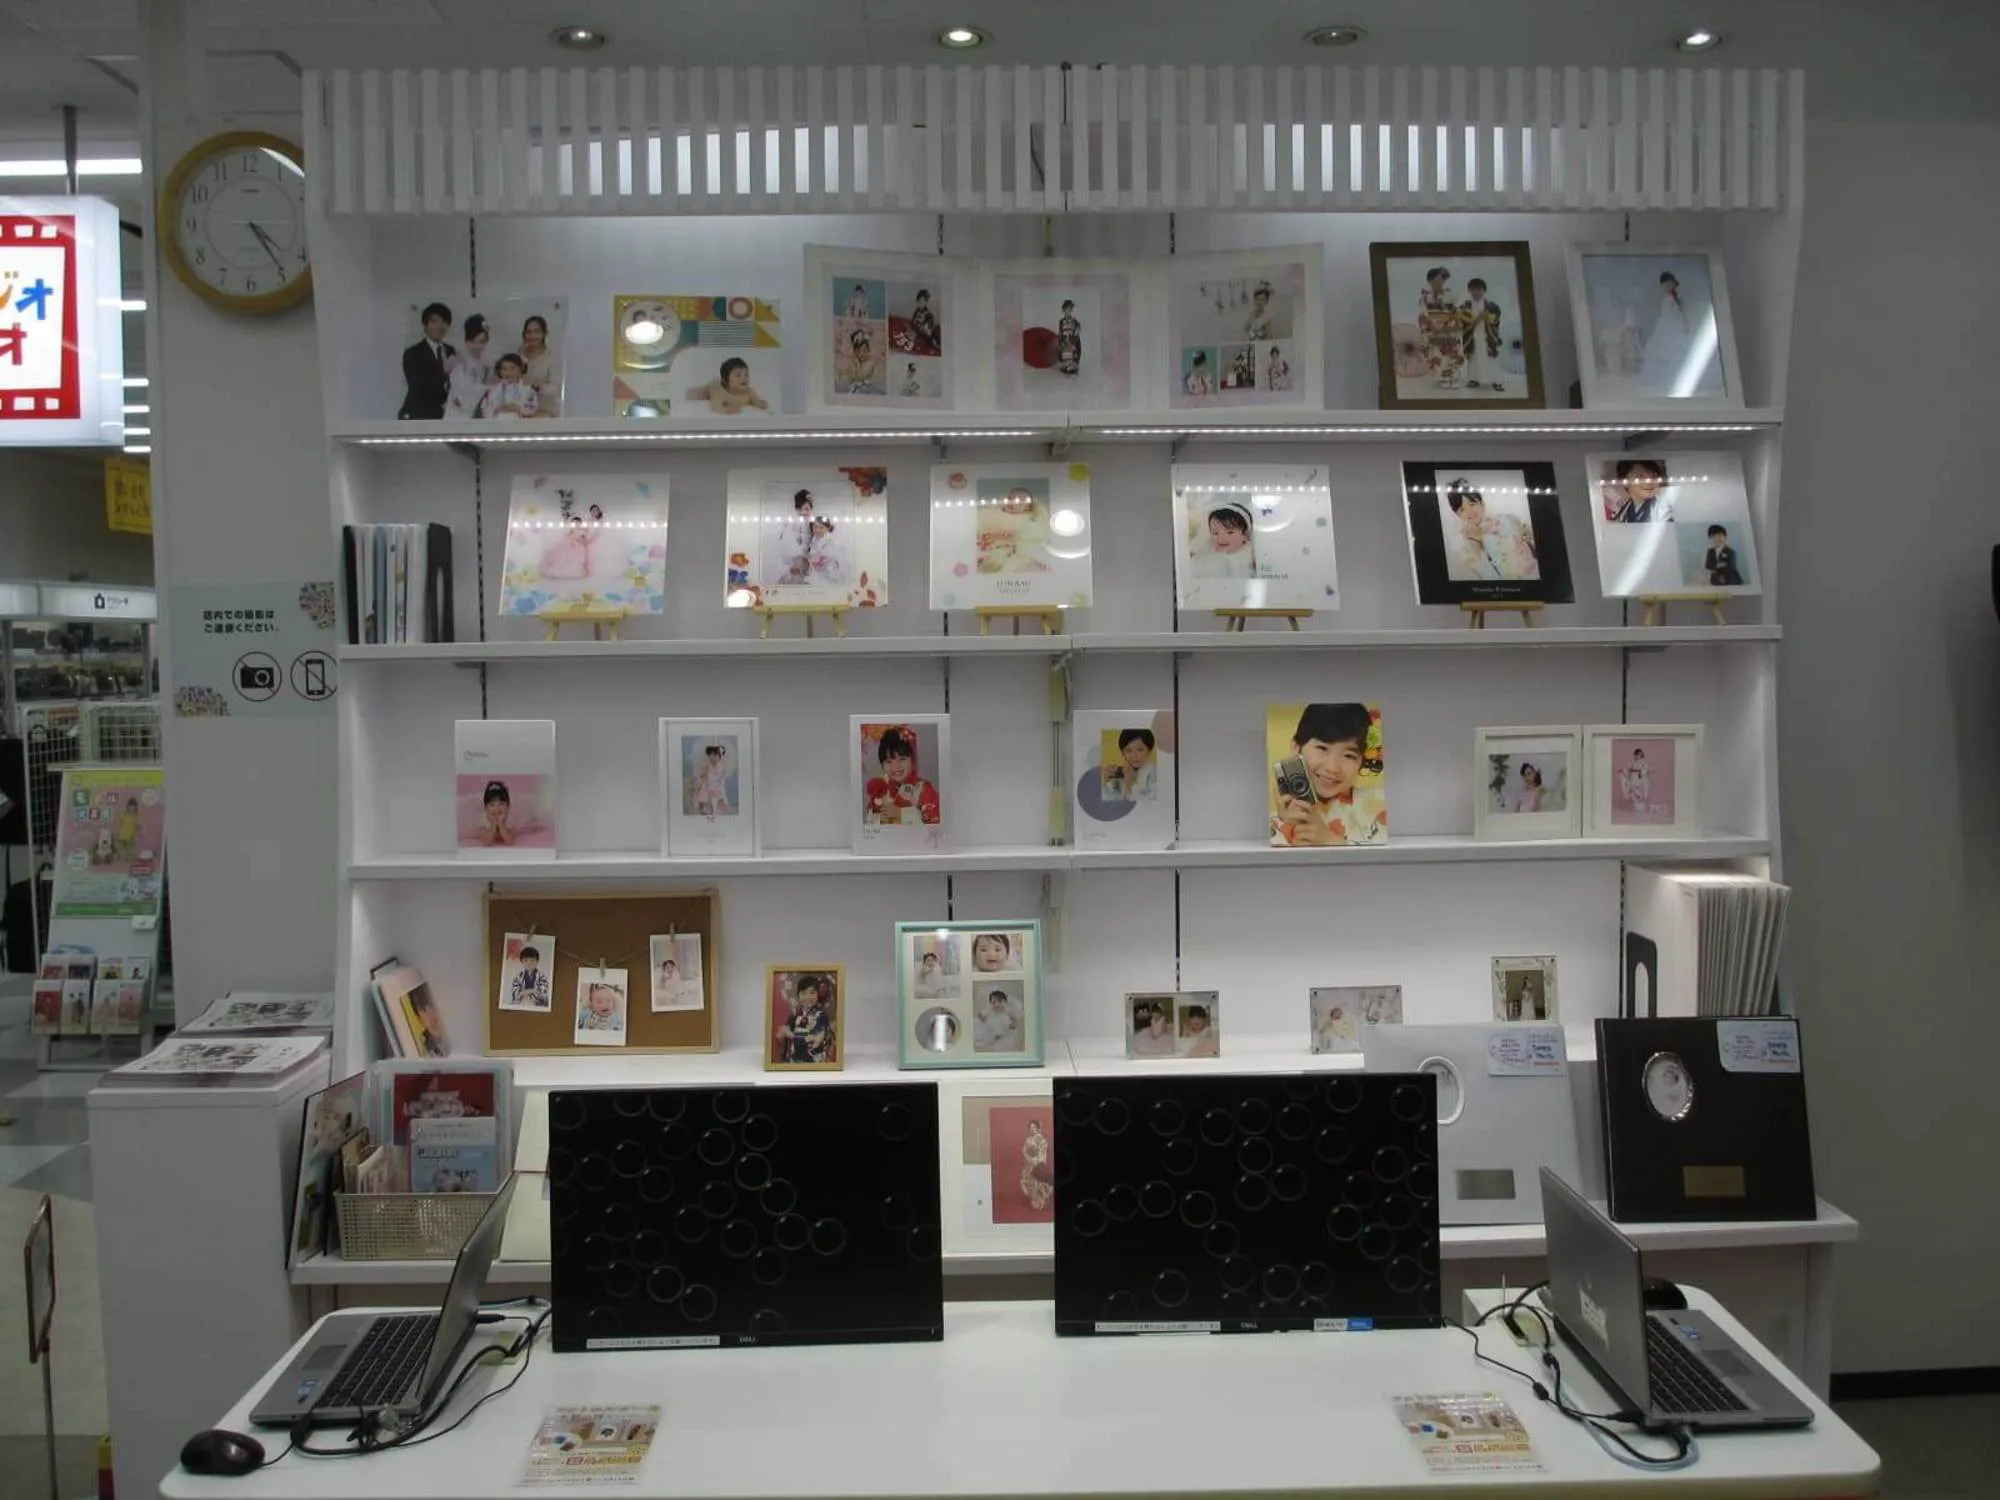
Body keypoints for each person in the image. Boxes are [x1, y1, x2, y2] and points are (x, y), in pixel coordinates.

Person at [1271, 702, 1388, 847]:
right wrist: (1284, 823)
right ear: (1296, 747)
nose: (1332, 768)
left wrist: (1330, 840)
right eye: (1322, 748)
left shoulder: (1380, 804)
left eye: (1349, 755)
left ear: (1362, 761)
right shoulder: (1273, 822)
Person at [1444, 481, 1538, 582]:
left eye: (1472, 504)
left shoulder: (1508, 519)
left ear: (1482, 503)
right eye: (1462, 509)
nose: (1469, 511)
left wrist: (1529, 542)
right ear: (1458, 515)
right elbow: (1492, 577)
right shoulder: (1467, 550)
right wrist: (1482, 541)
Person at [863, 726, 941, 826]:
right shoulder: (881, 791)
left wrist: (902, 815)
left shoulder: (923, 789)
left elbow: (935, 819)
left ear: (912, 760)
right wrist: (878, 818)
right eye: (888, 761)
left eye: (902, 759)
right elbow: (868, 822)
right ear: (882, 765)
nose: (896, 766)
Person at [399, 301, 454, 419]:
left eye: (444, 322)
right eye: (434, 322)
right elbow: (418, 386)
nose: (439, 327)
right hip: (418, 415)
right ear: (425, 325)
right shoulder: (413, 353)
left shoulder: (451, 351)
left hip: (445, 415)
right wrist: (445, 372)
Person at [1641, 270, 1692, 391]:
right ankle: (1658, 379)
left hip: (1674, 327)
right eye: (1665, 284)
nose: (1667, 286)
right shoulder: (1662, 299)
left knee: (1675, 353)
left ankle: (1674, 378)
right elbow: (1659, 313)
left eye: (1669, 283)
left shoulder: (1679, 298)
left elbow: (1683, 313)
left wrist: (1685, 325)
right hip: (1663, 326)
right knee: (1659, 352)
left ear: (1674, 284)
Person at [1417, 267, 1464, 389]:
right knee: (1437, 353)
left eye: (1441, 279)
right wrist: (1432, 324)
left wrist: (1449, 325)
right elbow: (1423, 314)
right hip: (1433, 329)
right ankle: (1443, 378)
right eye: (1436, 279)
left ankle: (1454, 378)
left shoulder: (1451, 295)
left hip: (1449, 328)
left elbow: (1457, 312)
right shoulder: (1425, 297)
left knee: (1452, 353)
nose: (1439, 282)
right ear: (1429, 281)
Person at [1460, 277, 1505, 392]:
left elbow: (1495, 320)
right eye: (1473, 290)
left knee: (1490, 358)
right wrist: (1477, 319)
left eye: (1479, 289)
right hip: (1472, 336)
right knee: (1474, 358)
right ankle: (1473, 379)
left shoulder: (1492, 306)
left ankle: (1496, 381)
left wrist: (1486, 319)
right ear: (1469, 291)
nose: (1476, 292)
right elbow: (1462, 321)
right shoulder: (1465, 306)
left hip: (1487, 336)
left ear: (1484, 290)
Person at [444, 312, 493, 418]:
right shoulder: (459, 363)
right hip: (458, 411)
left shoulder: (486, 365)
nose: (479, 346)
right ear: (467, 342)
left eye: (483, 342)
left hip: (477, 410)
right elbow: (461, 390)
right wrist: (487, 389)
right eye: (474, 342)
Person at [1190, 502, 1255, 580]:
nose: (1221, 538)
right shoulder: (1204, 559)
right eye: (1215, 533)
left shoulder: (1250, 560)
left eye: (1230, 532)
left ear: (1245, 535)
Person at [687, 356, 770, 415]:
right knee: (696, 394)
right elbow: (715, 407)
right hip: (711, 388)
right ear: (726, 380)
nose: (744, 378)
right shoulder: (722, 393)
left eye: (746, 375)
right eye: (738, 375)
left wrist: (761, 404)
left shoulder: (749, 391)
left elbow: (757, 401)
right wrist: (727, 410)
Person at [518, 314, 560, 417]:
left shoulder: (552, 357)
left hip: (545, 412)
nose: (532, 336)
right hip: (519, 412)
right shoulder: (517, 355)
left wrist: (539, 387)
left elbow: (556, 388)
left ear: (544, 333)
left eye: (537, 332)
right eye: (529, 332)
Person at [1605, 458, 1671, 523]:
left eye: (1654, 476)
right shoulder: (1624, 511)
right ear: (1625, 481)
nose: (1649, 482)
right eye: (1641, 476)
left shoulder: (1663, 507)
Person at [1104, 727, 1158, 803]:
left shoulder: (1154, 773)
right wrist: (1108, 781)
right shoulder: (1120, 771)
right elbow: (1113, 799)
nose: (1134, 756)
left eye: (1140, 750)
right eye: (1129, 751)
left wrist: (1131, 783)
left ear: (1149, 751)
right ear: (1123, 753)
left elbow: (1150, 803)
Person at [484, 351, 539, 419]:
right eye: (505, 369)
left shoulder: (528, 389)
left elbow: (533, 409)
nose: (509, 372)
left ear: (521, 368)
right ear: (500, 371)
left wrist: (517, 408)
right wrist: (498, 408)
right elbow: (486, 408)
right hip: (498, 421)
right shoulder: (495, 390)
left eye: (512, 368)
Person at [840, 327, 883, 394]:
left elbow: (861, 377)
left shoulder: (870, 365)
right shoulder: (853, 365)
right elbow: (851, 379)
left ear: (868, 351)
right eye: (859, 351)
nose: (862, 354)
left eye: (864, 350)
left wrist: (857, 367)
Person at [692, 744, 731, 818]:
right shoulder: (708, 764)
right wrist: (703, 773)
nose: (712, 758)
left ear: (720, 756)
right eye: (710, 756)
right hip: (708, 784)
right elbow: (702, 770)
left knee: (716, 797)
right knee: (704, 792)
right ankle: (706, 808)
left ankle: (717, 809)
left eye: (715, 756)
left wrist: (710, 775)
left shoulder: (720, 766)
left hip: (716, 785)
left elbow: (720, 776)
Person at [475, 780, 516, 847]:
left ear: (508, 806)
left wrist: (501, 824)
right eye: (492, 804)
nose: (497, 808)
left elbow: (509, 841)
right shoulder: (483, 821)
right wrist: (493, 824)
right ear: (486, 808)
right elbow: (486, 842)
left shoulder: (510, 820)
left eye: (501, 804)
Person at [509, 944, 550, 1010]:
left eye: (532, 960)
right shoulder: (518, 977)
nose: (529, 963)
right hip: (521, 1003)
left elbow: (543, 993)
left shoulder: (542, 976)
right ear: (522, 962)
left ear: (537, 961)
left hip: (538, 1004)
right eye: (526, 960)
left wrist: (527, 992)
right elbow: (515, 993)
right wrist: (532, 991)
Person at [908, 287, 941, 353]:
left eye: (923, 301)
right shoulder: (917, 311)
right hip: (919, 332)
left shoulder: (928, 314)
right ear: (918, 301)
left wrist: (927, 329)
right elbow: (914, 322)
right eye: (920, 300)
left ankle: (937, 344)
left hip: (926, 333)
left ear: (926, 302)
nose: (921, 303)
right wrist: (913, 329)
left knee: (934, 332)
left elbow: (928, 326)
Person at [1055, 298, 1082, 376]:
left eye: (1069, 309)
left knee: (1072, 353)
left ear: (1071, 310)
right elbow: (1061, 333)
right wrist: (1061, 342)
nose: (1068, 311)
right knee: (1065, 353)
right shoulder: (1061, 322)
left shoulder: (1074, 322)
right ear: (1063, 310)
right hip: (1064, 343)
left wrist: (1072, 341)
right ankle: (1067, 365)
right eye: (1066, 309)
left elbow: (1076, 333)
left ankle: (1072, 366)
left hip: (1072, 342)